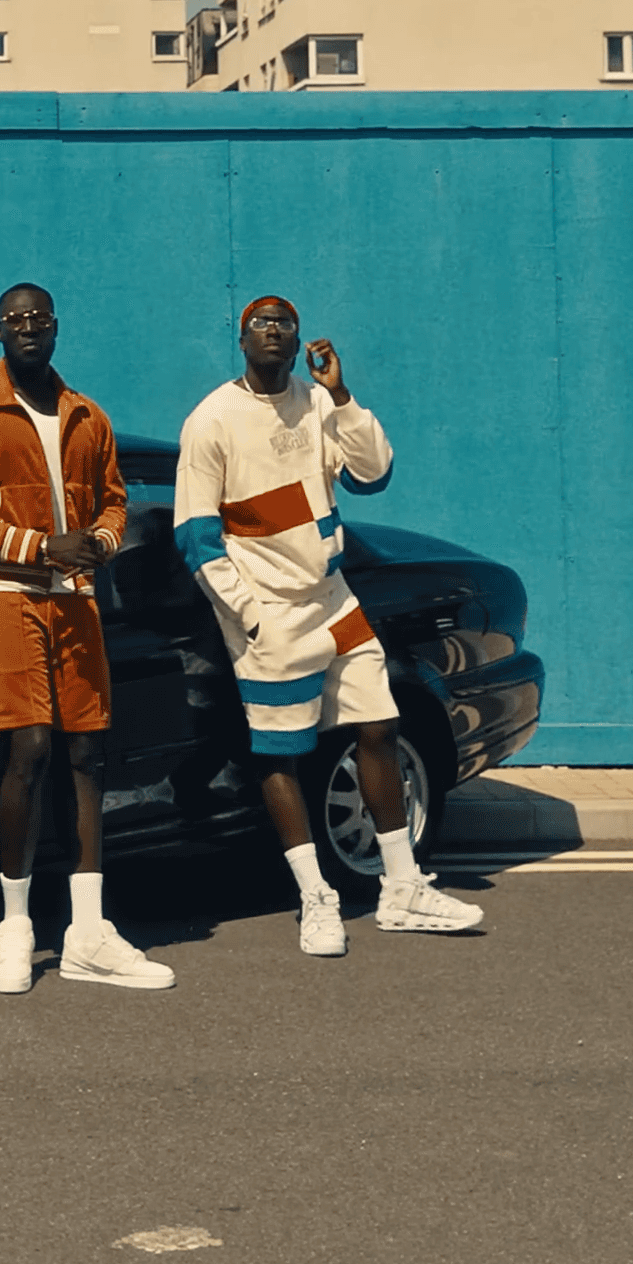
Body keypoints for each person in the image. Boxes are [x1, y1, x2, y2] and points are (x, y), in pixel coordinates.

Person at [175, 298, 483, 954]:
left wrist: (341, 394)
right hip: (271, 612)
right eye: (261, 323)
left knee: (379, 725)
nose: (274, 332)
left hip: (334, 600)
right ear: (240, 338)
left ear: (297, 340)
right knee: (281, 754)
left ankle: (402, 889)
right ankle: (316, 898)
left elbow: (373, 473)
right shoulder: (212, 421)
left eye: (284, 323)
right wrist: (251, 615)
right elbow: (197, 538)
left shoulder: (317, 403)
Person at [0, 283, 174, 995]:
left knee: (88, 750)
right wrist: (38, 546)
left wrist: (98, 541)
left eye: (40, 319)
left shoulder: (86, 414)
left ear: (57, 328)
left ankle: (89, 931)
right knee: (28, 745)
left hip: (74, 596)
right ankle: (15, 925)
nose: (28, 329)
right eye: (15, 320)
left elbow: (114, 498)